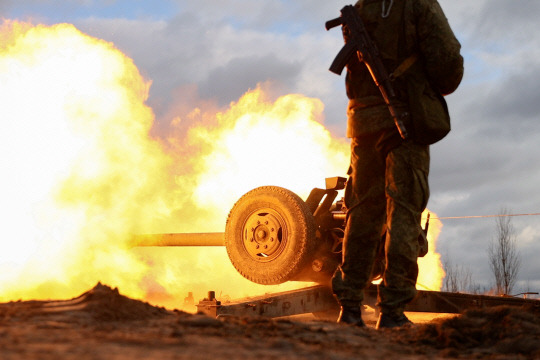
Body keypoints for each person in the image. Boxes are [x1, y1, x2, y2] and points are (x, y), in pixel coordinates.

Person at [331, 0, 463, 329]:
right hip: (404, 118)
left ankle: (349, 306)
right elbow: (448, 68)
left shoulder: (364, 6)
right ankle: (392, 310)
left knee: (362, 210)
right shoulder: (419, 5)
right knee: (404, 212)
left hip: (364, 123)